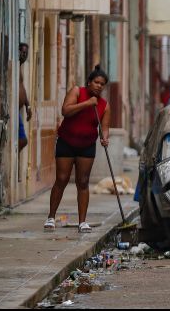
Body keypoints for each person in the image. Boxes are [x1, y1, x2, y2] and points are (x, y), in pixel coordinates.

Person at [44, 65, 111, 233]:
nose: (99, 86)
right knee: (62, 179)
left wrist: (105, 138)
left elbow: (105, 126)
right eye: (96, 82)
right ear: (89, 82)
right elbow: (65, 111)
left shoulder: (104, 105)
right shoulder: (77, 92)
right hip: (66, 142)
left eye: (102, 84)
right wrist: (87, 103)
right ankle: (51, 217)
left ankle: (83, 222)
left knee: (83, 182)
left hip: (87, 145)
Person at [18, 43, 33, 151]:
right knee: (22, 141)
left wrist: (28, 105)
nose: (24, 55)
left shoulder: (19, 68)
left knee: (23, 141)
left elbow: (22, 88)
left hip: (18, 111)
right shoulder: (16, 67)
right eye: (22, 52)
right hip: (13, 111)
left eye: (26, 53)